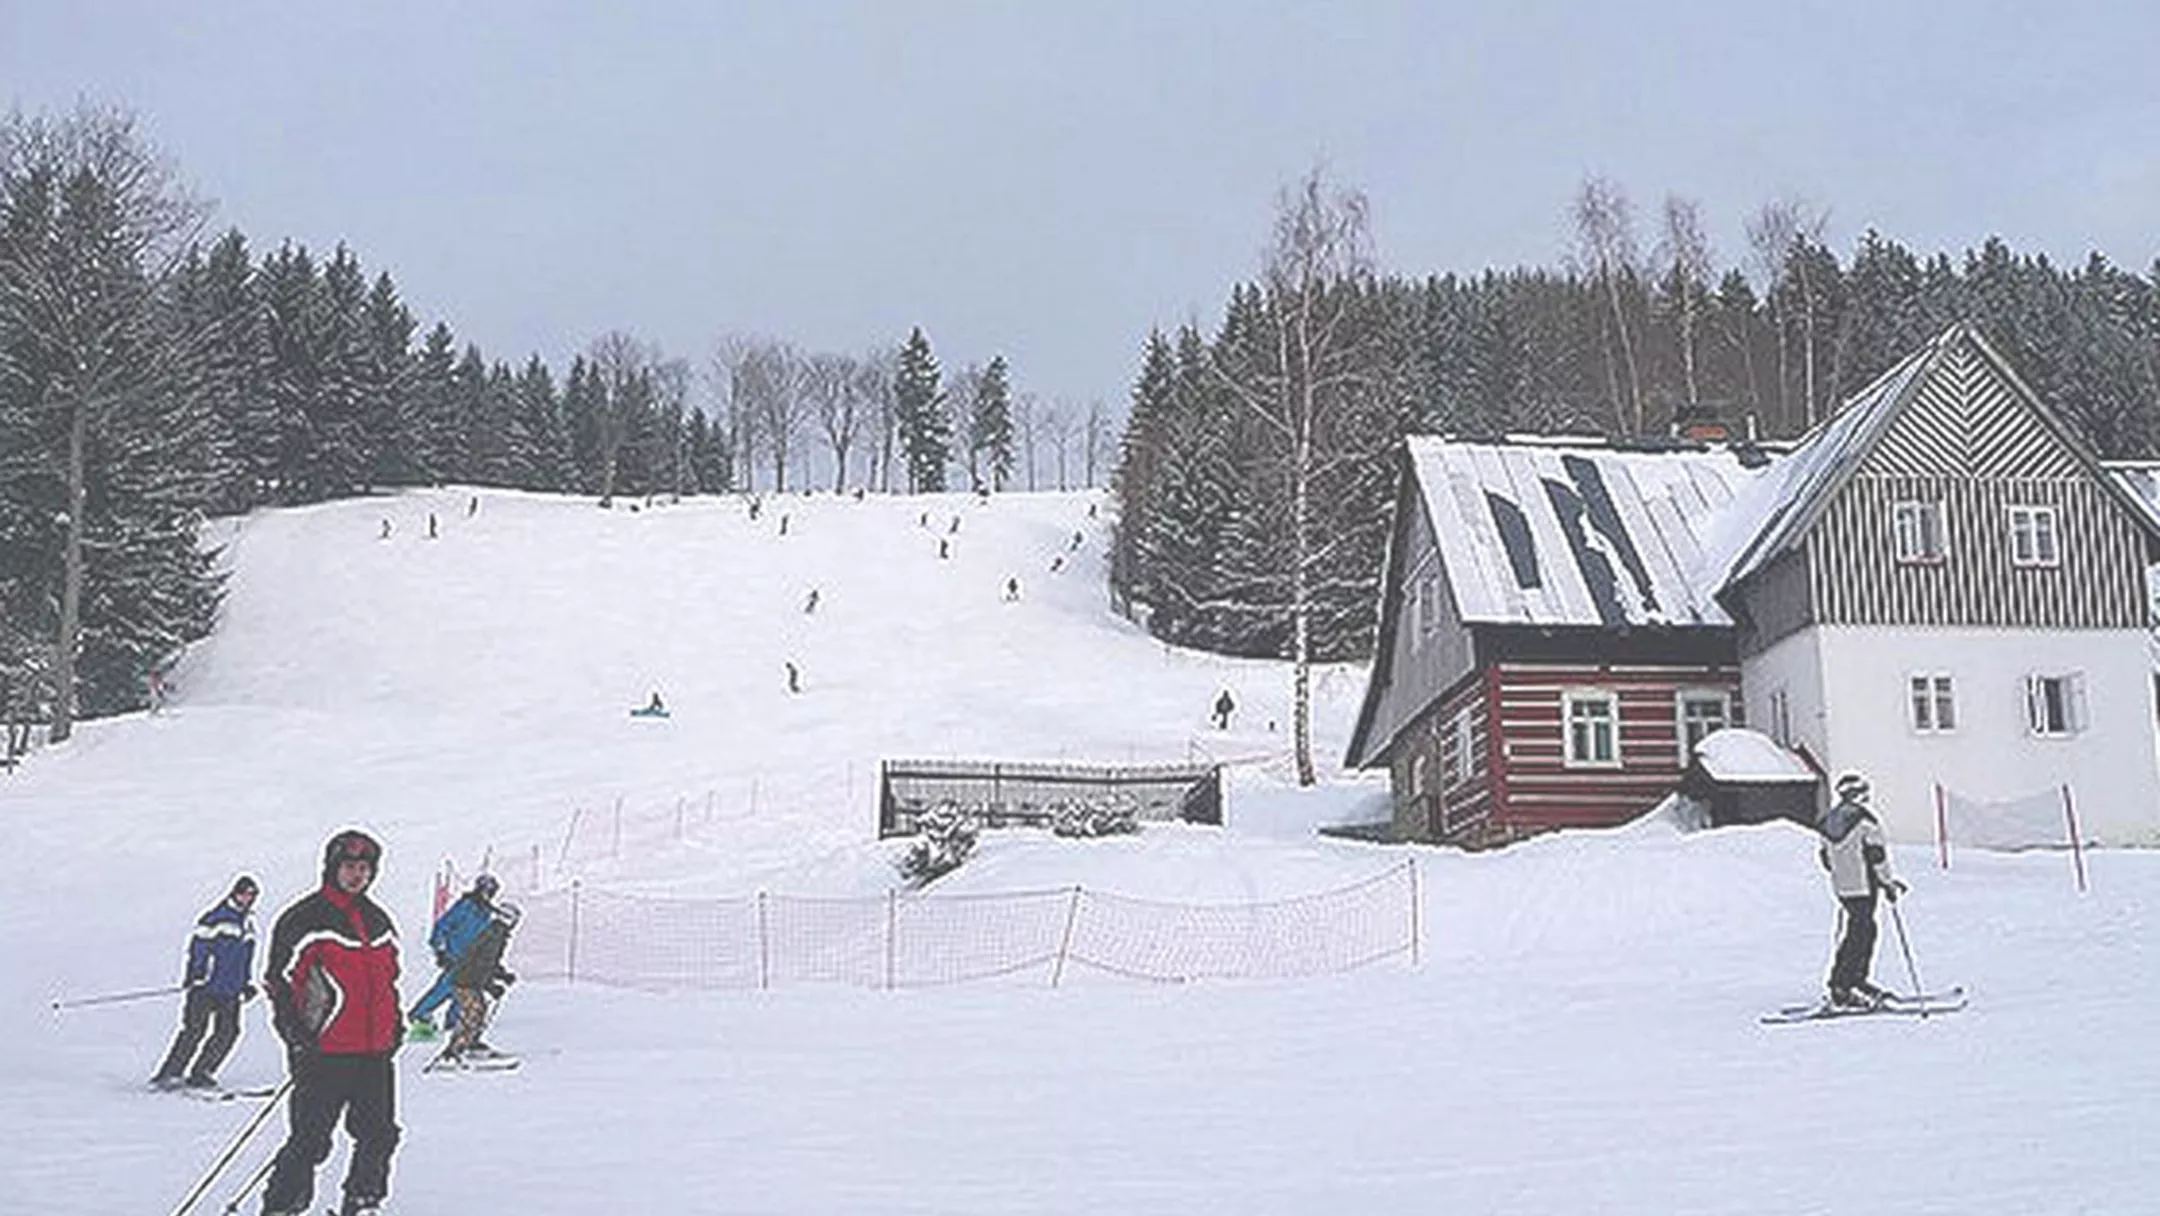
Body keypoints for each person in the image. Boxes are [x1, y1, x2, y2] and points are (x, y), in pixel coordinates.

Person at [261, 830, 402, 1216]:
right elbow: (279, 982)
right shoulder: (304, 919)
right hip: (324, 1051)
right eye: (350, 867)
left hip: (374, 1051)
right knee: (310, 1140)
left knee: (379, 1133)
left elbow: (390, 979)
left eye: (365, 868)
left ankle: (363, 1201)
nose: (358, 876)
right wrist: (296, 1035)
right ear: (332, 868)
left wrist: (396, 1026)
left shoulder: (378, 920)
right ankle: (282, 1206)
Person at [150, 875, 259, 1091]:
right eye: (244, 893)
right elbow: (198, 949)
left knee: (229, 1031)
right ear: (234, 893)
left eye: (252, 895)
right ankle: (170, 1073)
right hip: (206, 986)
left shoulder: (247, 925)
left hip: (230, 989)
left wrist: (245, 983)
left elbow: (245, 959)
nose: (248, 899)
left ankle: (202, 1072)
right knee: (194, 1030)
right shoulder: (215, 918)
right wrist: (195, 975)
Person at [1816, 772, 1907, 1010]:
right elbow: (1876, 855)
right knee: (1862, 932)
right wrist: (1887, 882)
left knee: (1860, 930)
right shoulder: (1866, 821)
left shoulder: (1828, 821)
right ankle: (1844, 985)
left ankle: (1853, 981)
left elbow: (1825, 858)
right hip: (1865, 886)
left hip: (1843, 887)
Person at [407, 874, 500, 1041]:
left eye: (491, 892)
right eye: (485, 890)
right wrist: (440, 950)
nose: (488, 895)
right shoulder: (465, 906)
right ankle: (418, 1015)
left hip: (470, 961)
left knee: (464, 992)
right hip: (455, 958)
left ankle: (453, 1023)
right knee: (446, 988)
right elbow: (442, 926)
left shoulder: (486, 913)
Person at [443, 899, 520, 1065]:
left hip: (469, 978)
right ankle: (455, 1051)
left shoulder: (494, 932)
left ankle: (471, 1044)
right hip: (466, 980)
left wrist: (502, 975)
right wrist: (490, 986)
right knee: (473, 1012)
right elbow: (482, 964)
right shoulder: (495, 935)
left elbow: (488, 962)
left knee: (478, 1010)